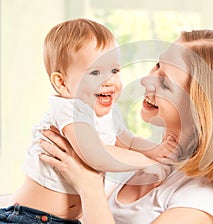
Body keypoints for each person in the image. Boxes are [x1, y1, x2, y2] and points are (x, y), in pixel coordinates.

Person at [36, 29, 213, 224]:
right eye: (157, 65)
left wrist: (88, 185)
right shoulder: (143, 159)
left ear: (201, 111)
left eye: (164, 84)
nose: (144, 79)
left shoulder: (202, 197)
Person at [0, 18, 175, 223]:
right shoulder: (69, 109)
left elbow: (127, 142)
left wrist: (157, 150)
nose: (109, 81)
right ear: (62, 82)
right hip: (30, 218)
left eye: (115, 70)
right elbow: (94, 154)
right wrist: (147, 162)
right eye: (95, 72)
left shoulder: (108, 112)